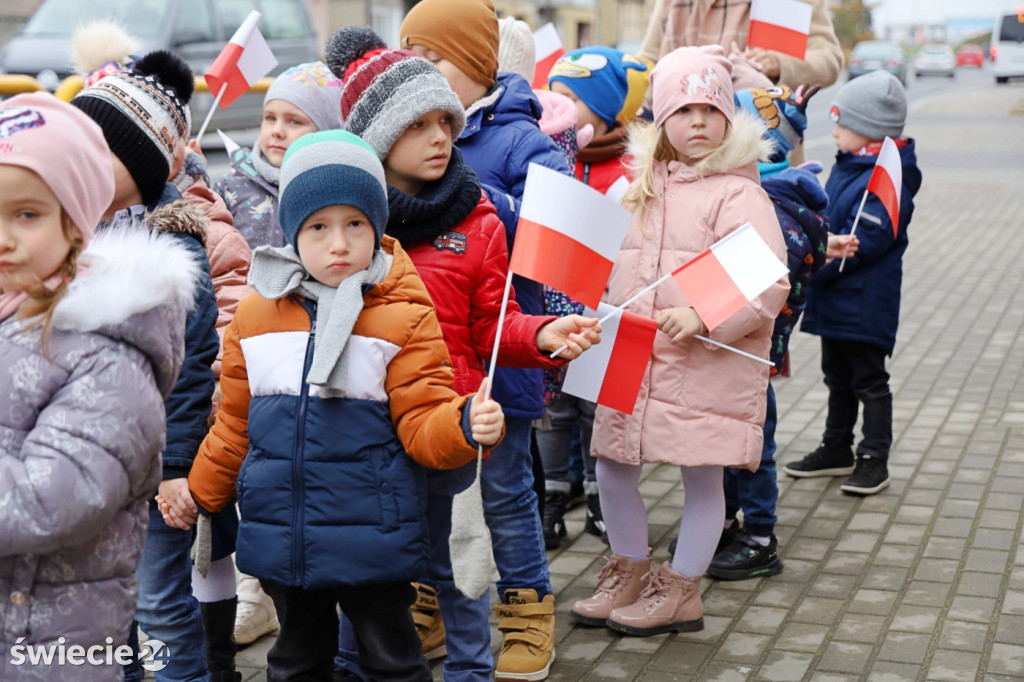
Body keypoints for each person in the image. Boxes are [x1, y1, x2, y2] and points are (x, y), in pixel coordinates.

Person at [323, 26, 602, 681]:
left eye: (446, 120)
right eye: (418, 124)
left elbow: (492, 325)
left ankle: (483, 656)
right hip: (375, 428)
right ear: (380, 139)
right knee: (386, 556)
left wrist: (539, 335)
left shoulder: (479, 221)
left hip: (461, 420)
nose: (441, 136)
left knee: (467, 556)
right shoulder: (354, 226)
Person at [178, 129, 505, 682]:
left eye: (355, 224)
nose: (338, 243)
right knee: (295, 660)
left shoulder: (402, 315)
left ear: (377, 227)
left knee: (392, 658)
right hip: (284, 536)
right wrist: (199, 493)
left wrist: (463, 422)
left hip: (372, 536)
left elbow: (423, 421)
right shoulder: (258, 318)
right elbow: (234, 424)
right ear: (292, 232)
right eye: (318, 227)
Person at [570, 45, 789, 636]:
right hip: (630, 355)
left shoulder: (737, 194)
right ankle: (631, 570)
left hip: (699, 364)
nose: (699, 121)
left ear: (728, 117)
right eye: (684, 110)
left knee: (702, 475)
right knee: (612, 466)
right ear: (661, 120)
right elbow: (609, 262)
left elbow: (764, 274)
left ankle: (682, 588)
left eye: (711, 109)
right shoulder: (637, 186)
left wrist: (703, 312)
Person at [399, 1, 574, 678]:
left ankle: (528, 614)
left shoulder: (519, 141)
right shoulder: (406, 138)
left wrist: (495, 203)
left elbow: (553, 241)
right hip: (429, 375)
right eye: (414, 59)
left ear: (476, 66)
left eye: (437, 60)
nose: (426, 74)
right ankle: (434, 603)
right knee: (429, 502)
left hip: (504, 365)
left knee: (503, 500)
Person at [0, 92, 200, 681]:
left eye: (27, 214)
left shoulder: (108, 352)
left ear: (76, 222)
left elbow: (50, 501)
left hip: (50, 647)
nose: (4, 236)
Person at [70, 50, 221, 682]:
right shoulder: (69, 232)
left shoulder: (172, 248)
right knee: (105, 608)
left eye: (102, 148)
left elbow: (190, 372)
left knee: (159, 603)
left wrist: (176, 469)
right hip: (88, 465)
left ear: (141, 162)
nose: (84, 162)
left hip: (152, 472)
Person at [784, 70, 922, 496]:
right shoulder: (851, 166)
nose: (835, 131)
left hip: (864, 302)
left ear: (869, 131)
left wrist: (811, 265)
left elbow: (866, 241)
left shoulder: (887, 177)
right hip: (837, 300)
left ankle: (873, 458)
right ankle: (837, 447)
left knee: (869, 382)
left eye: (841, 123)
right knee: (836, 377)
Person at [214, 61, 343, 249]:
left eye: (294, 121)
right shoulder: (231, 186)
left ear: (326, 131)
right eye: (270, 118)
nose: (277, 131)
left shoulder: (338, 188)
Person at [638, 0, 843, 91]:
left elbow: (828, 58)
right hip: (679, 153)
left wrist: (779, 64)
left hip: (763, 156)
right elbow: (648, 64)